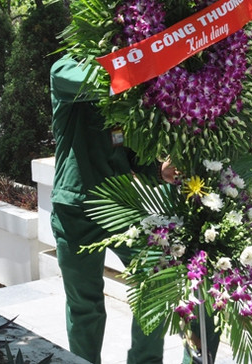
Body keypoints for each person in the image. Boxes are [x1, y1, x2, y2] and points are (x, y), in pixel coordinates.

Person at [50, 55, 166, 364]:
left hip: (121, 208)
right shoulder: (65, 69)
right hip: (75, 209)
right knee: (85, 305)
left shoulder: (133, 90)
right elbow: (96, 83)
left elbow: (135, 155)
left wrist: (160, 170)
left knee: (156, 282)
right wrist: (148, 63)